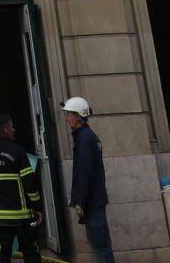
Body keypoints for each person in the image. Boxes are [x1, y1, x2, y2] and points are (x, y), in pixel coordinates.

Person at [0, 114, 44, 263]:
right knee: (31, 253)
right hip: (23, 216)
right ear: (5, 130)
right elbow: (29, 183)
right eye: (11, 127)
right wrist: (37, 207)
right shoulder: (18, 151)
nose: (14, 130)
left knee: (1, 255)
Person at [62, 96, 114, 263]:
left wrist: (81, 202)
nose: (67, 118)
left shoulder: (84, 139)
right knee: (101, 246)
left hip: (91, 202)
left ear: (77, 116)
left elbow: (85, 174)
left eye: (69, 114)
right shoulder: (87, 136)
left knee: (100, 247)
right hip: (94, 201)